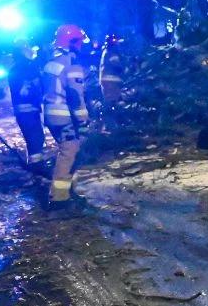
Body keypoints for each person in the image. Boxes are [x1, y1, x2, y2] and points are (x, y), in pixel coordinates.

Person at [41, 24, 90, 209]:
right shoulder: (72, 64)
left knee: (68, 152)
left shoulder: (51, 63)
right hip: (65, 117)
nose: (81, 46)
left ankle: (67, 192)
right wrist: (83, 121)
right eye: (79, 42)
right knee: (68, 154)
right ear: (72, 42)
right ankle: (59, 199)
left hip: (51, 115)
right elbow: (76, 97)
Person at [8, 38, 48, 176]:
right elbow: (38, 86)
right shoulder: (29, 67)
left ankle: (34, 166)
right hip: (30, 109)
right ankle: (37, 168)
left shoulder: (13, 69)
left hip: (20, 110)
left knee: (31, 139)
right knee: (37, 138)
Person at [99, 33, 126, 121]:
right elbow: (117, 65)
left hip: (107, 79)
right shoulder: (111, 52)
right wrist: (125, 68)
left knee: (111, 101)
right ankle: (111, 122)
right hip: (111, 80)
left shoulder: (106, 51)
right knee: (113, 101)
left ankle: (112, 122)